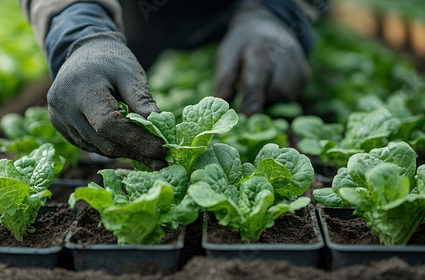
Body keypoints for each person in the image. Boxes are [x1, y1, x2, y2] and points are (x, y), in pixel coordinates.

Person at [19, 0, 327, 170]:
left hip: (244, 11)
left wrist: (278, 12)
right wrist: (78, 28)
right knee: (111, 99)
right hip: (129, 15)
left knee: (269, 77)